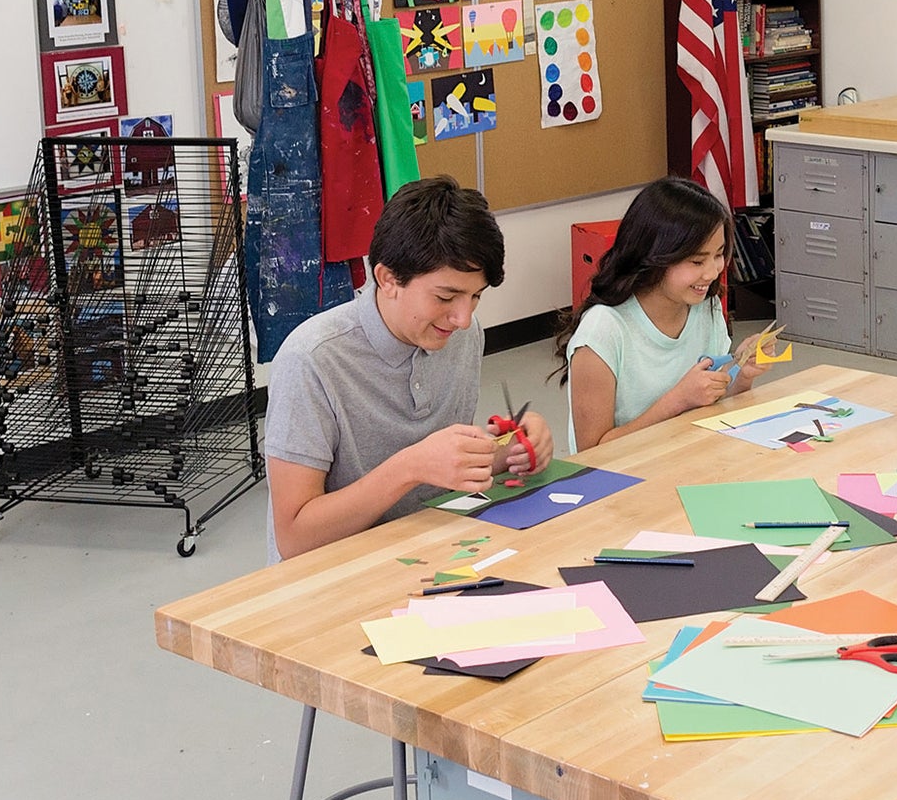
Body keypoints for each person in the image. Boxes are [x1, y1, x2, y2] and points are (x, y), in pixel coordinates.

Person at [264, 176, 552, 560]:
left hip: (427, 550)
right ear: (388, 279)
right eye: (446, 296)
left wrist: (509, 453)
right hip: (335, 570)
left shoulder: (462, 335)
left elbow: (440, 477)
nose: (463, 318)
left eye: (476, 297)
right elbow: (294, 538)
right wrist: (410, 467)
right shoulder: (310, 360)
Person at [558, 176, 763, 451]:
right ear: (655, 257)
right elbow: (593, 452)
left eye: (719, 255)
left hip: (688, 456)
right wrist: (677, 401)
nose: (712, 272)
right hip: (624, 472)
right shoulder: (602, 332)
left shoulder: (706, 307)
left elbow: (715, 406)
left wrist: (743, 374)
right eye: (697, 261)